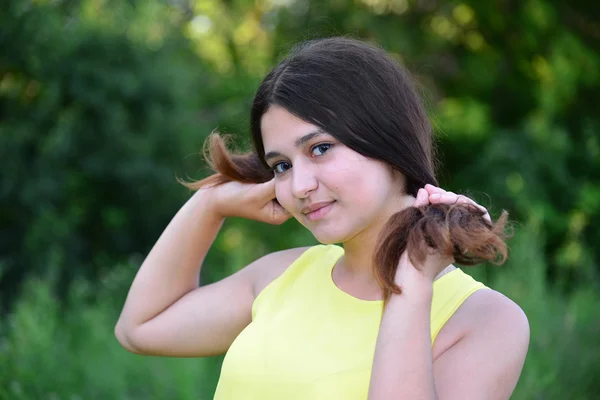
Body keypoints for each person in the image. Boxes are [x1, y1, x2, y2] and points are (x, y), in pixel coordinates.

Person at [115, 37, 529, 399]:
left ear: (388, 139)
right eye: (281, 165)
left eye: (319, 149)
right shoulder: (283, 275)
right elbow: (141, 328)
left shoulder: (487, 321)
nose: (298, 187)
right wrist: (210, 204)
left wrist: (412, 278)